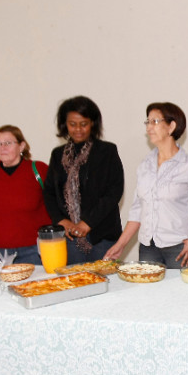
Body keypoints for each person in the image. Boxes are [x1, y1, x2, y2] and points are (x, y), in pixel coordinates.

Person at [104, 102, 188, 267]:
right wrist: (120, 245)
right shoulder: (145, 165)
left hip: (179, 248)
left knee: (179, 285)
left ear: (171, 126)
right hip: (148, 247)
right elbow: (137, 211)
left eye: (155, 122)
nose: (149, 127)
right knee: (147, 285)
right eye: (147, 122)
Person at [43, 96, 124, 263]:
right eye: (72, 124)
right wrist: (61, 221)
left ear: (92, 123)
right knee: (74, 278)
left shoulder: (107, 151)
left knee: (105, 279)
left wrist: (88, 222)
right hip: (69, 237)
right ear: (65, 124)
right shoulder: (57, 154)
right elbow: (49, 192)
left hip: (102, 236)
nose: (78, 129)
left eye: (84, 124)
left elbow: (114, 191)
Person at [0, 125, 51, 265]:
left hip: (35, 250)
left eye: (8, 143)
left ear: (21, 146)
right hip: (1, 251)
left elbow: (57, 204)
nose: (3, 148)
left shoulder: (38, 169)